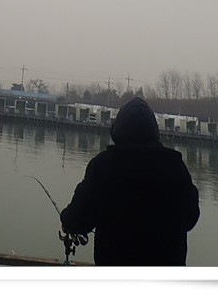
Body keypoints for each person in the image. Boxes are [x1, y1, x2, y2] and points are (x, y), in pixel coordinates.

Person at [60, 96, 199, 266]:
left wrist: (66, 219)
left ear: (117, 128)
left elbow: (77, 219)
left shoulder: (103, 166)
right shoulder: (176, 167)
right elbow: (190, 218)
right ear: (154, 130)